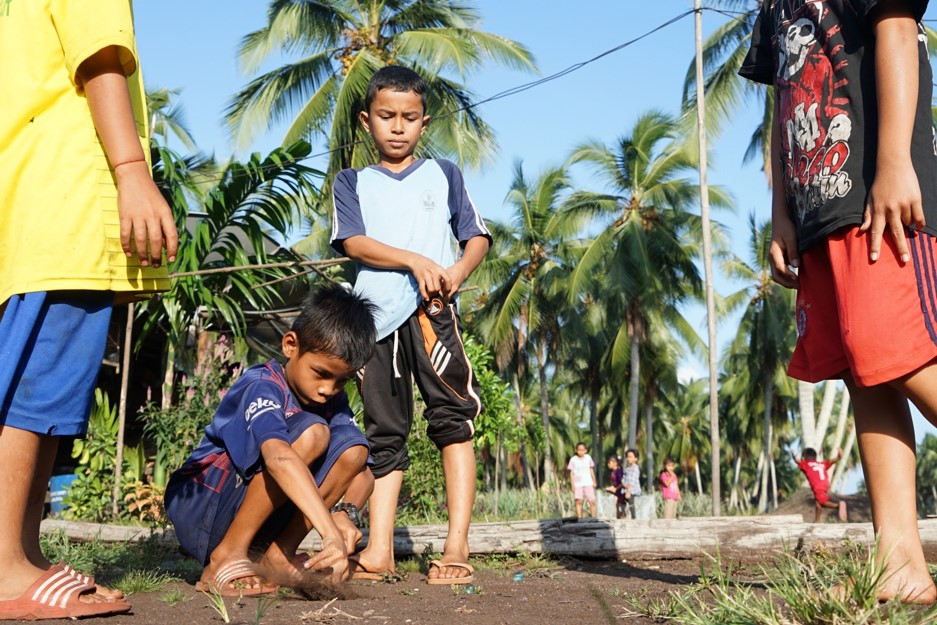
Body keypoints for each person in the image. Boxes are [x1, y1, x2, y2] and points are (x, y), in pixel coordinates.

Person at [740, 0, 937, 603]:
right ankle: (899, 561)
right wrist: (780, 214)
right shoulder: (771, 6)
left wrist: (896, 162)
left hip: (883, 190)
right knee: (865, 370)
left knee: (898, 350)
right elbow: (783, 99)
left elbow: (898, 27)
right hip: (818, 211)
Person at [0, 1, 178, 619]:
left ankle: (21, 551)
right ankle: (4, 567)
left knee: (45, 393)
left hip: (33, 205)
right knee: (34, 389)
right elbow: (99, 60)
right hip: (67, 206)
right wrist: (133, 171)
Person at [329, 65, 491, 586]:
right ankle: (379, 550)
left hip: (432, 315)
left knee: (452, 418)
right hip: (372, 322)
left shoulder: (443, 173)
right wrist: (414, 260)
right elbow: (353, 243)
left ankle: (458, 545)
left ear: (424, 122)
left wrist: (455, 272)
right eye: (386, 116)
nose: (397, 127)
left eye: (409, 117)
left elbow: (477, 237)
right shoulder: (352, 182)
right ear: (365, 121)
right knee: (383, 433)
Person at [164, 285, 378, 593]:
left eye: (342, 380)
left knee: (354, 450)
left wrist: (346, 515)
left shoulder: (331, 401)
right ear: (291, 345)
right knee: (313, 434)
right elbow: (278, 457)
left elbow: (362, 473)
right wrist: (328, 531)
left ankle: (278, 556)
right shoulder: (262, 383)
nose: (328, 390)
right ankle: (226, 556)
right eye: (321, 373)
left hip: (247, 512)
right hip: (202, 505)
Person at [790, 447, 848, 524]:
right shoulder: (821, 464)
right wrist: (839, 457)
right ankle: (817, 521)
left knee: (822, 502)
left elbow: (798, 462)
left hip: (818, 485)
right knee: (818, 503)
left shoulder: (805, 464)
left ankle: (838, 506)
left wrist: (794, 457)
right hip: (825, 483)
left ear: (803, 457)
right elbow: (831, 461)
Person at [567, 443, 597, 518]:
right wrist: (572, 485)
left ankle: (593, 518)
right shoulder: (573, 459)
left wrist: (594, 480)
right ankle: (579, 518)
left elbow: (591, 469)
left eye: (582, 450)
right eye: (579, 450)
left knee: (592, 501)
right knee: (579, 501)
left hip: (588, 482)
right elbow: (571, 473)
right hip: (578, 483)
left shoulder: (588, 458)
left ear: (585, 450)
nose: (581, 452)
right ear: (576, 450)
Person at [604, 455, 628, 519]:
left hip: (622, 493)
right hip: (618, 493)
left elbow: (623, 483)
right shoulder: (613, 472)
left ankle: (622, 520)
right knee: (618, 506)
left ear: (615, 463)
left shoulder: (619, 472)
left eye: (609, 463)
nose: (608, 464)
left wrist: (615, 489)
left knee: (620, 507)